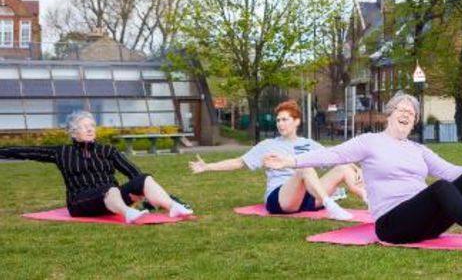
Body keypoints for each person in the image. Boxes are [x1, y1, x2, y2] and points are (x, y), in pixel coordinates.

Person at [263, 92, 462, 250]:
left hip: (426, 224)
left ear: (413, 122)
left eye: (410, 113)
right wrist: (291, 162)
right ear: (389, 114)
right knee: (438, 188)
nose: (405, 114)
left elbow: (451, 171)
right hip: (392, 225)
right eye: (400, 109)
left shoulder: (418, 150)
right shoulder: (370, 142)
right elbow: (333, 154)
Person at [0, 110, 193, 223]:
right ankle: (128, 214)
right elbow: (26, 151)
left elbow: (134, 174)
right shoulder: (62, 152)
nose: (90, 129)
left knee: (145, 179)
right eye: (85, 127)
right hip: (80, 203)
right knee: (108, 189)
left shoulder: (107, 151)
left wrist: (144, 191)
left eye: (92, 125)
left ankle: (172, 206)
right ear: (74, 133)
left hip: (111, 198)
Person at [189, 100, 365, 220]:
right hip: (281, 199)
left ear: (297, 122)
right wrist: (207, 166)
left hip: (308, 198)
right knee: (304, 168)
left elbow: (333, 156)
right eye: (278, 120)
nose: (280, 124)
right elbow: (239, 162)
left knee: (343, 169)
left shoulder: (309, 143)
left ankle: (367, 199)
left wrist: (351, 165)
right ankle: (330, 205)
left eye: (285, 120)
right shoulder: (268, 145)